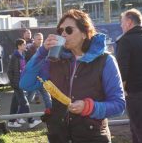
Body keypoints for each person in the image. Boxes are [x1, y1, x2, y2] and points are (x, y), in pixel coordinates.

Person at [20, 9, 125, 142]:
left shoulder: (105, 61)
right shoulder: (54, 60)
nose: (63, 34)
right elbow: (25, 84)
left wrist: (89, 107)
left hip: (92, 136)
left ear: (84, 33)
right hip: (59, 135)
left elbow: (118, 105)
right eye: (60, 30)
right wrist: (41, 52)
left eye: (69, 30)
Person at [116, 9, 142, 143]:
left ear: (128, 22)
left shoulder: (125, 41)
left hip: (136, 94)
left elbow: (122, 71)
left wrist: (121, 93)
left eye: (122, 23)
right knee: (138, 132)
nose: (121, 26)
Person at [7, 38, 42, 128]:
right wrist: (14, 83)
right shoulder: (15, 56)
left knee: (15, 103)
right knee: (25, 103)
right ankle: (31, 121)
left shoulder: (22, 55)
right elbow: (10, 71)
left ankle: (11, 121)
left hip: (21, 82)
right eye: (24, 44)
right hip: (17, 84)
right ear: (19, 46)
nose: (25, 46)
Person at [25, 33, 52, 109]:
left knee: (47, 98)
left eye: (42, 39)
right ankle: (20, 115)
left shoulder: (45, 49)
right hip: (32, 78)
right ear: (34, 39)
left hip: (42, 78)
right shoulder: (29, 49)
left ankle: (50, 115)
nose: (41, 41)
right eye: (39, 39)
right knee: (28, 99)